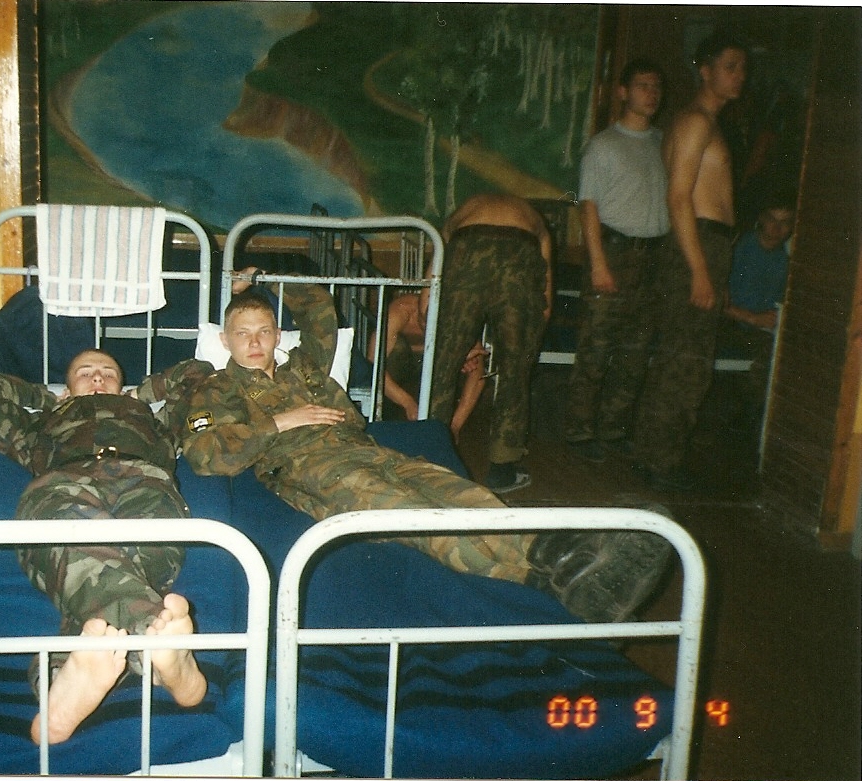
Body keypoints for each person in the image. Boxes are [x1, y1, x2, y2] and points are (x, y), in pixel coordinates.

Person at [180, 271, 673, 624]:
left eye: (264, 331)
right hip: (305, 466)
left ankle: (561, 553)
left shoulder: (302, 365)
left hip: (365, 449)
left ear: (276, 335)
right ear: (225, 340)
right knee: (414, 516)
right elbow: (203, 452)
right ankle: (556, 580)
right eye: (242, 334)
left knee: (457, 492)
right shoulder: (217, 389)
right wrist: (280, 422)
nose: (255, 342)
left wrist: (267, 280)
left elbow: (321, 311)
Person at [0, 349, 214, 745]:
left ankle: (63, 679)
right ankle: (158, 652)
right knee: (77, 540)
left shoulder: (154, 420)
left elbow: (198, 373)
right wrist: (47, 400)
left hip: (146, 483)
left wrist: (140, 395)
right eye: (85, 372)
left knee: (115, 563)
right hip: (64, 484)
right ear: (66, 388)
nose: (98, 378)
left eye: (108, 372)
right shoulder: (39, 425)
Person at [631, 30, 747, 492]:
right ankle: (661, 463)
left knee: (684, 359)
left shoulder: (705, 122)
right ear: (705, 70)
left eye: (742, 68)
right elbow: (679, 197)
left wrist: (714, 269)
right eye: (730, 66)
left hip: (708, 246)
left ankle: (655, 457)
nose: (739, 76)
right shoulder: (697, 122)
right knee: (686, 363)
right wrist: (700, 270)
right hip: (696, 244)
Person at [563, 59, 670, 464]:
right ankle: (579, 430)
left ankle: (613, 428)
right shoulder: (604, 145)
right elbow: (587, 206)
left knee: (636, 352)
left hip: (654, 256)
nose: (651, 93)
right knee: (596, 347)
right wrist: (599, 264)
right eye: (643, 85)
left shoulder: (664, 142)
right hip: (614, 253)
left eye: (656, 86)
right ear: (624, 92)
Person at [426, 193, 553, 493]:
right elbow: (546, 286)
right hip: (520, 250)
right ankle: (502, 469)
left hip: (467, 246)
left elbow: (436, 270)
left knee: (442, 364)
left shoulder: (465, 210)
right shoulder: (531, 215)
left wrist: (430, 308)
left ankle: (431, 459)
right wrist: (535, 326)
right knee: (515, 370)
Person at [368, 291, 488, 441]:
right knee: (396, 349)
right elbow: (373, 364)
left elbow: (478, 373)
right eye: (425, 320)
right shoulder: (400, 311)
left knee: (474, 363)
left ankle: (449, 427)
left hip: (437, 366)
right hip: (402, 369)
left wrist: (455, 426)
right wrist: (407, 403)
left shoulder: (457, 318)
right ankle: (389, 415)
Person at [721, 196, 795, 426]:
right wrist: (753, 318)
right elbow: (716, 302)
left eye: (785, 222)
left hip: (762, 332)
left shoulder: (786, 260)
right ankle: (746, 421)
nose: (776, 228)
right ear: (761, 218)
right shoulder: (737, 247)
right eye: (772, 219)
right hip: (729, 325)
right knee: (771, 357)